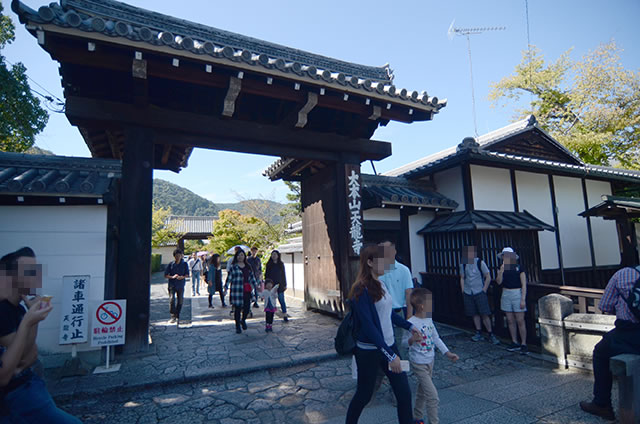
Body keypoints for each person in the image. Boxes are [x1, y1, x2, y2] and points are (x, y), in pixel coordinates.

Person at [0, 247, 82, 423]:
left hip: (29, 387)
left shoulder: (20, 309)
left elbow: (31, 355)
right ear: (11, 277)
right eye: (30, 272)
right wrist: (30, 322)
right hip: (16, 397)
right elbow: (17, 360)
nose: (37, 276)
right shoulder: (2, 312)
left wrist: (33, 319)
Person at [345, 244, 421, 424]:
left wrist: (409, 326)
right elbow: (369, 327)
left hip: (389, 345)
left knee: (403, 391)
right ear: (370, 262)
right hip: (369, 351)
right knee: (364, 394)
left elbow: (389, 314)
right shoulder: (360, 290)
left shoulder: (382, 284)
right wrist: (390, 355)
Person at [580, 264, 640, 421]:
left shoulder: (624, 274)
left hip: (628, 334)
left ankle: (602, 404)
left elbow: (605, 305)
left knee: (600, 351)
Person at [404, 288, 459, 424]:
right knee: (433, 396)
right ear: (422, 306)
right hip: (418, 363)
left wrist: (447, 353)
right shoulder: (411, 323)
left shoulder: (429, 320)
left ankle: (417, 418)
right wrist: (412, 339)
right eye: (430, 302)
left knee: (422, 391)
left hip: (430, 360)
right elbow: (404, 342)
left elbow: (436, 338)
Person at [378, 240, 415, 359]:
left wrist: (409, 315)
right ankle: (384, 372)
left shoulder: (403, 270)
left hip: (398, 312)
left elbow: (409, 293)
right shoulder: (377, 271)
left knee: (398, 344)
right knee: (382, 342)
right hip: (381, 312)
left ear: (394, 251)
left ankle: (400, 371)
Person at [459, 245, 499, 344]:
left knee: (484, 313)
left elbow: (488, 276)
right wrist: (463, 290)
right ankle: (478, 331)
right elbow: (462, 277)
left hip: (479, 290)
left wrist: (484, 289)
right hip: (468, 291)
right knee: (474, 313)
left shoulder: (480, 262)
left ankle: (490, 333)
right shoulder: (463, 264)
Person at [495, 247, 528, 353]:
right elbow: (498, 282)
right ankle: (514, 341)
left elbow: (524, 284)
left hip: (517, 293)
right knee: (509, 319)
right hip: (506, 293)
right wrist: (501, 271)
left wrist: (523, 298)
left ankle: (524, 343)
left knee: (520, 320)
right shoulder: (502, 268)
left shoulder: (519, 267)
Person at [225, 249, 258, 334]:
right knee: (237, 309)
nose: (240, 257)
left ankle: (243, 320)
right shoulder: (233, 267)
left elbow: (252, 277)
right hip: (237, 290)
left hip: (246, 290)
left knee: (247, 308)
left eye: (242, 255)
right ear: (236, 256)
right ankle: (237, 326)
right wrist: (225, 287)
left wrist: (256, 286)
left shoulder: (248, 266)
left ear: (245, 256)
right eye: (239, 255)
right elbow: (229, 278)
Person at [164, 249, 189, 324]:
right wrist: (172, 277)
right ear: (174, 256)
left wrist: (182, 277)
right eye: (176, 256)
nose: (178, 257)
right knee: (172, 300)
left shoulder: (184, 264)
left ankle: (177, 315)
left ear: (181, 256)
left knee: (180, 300)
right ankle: (172, 316)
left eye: (179, 255)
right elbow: (165, 275)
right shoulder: (171, 264)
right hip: (172, 284)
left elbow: (187, 274)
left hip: (181, 284)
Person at [265, 250, 289, 322]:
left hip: (280, 285)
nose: (274, 256)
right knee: (271, 301)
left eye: (275, 254)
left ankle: (285, 314)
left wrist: (284, 284)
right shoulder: (269, 265)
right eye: (272, 254)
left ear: (278, 256)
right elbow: (266, 275)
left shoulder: (281, 264)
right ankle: (271, 316)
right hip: (271, 286)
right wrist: (266, 284)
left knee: (282, 300)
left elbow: (283, 275)